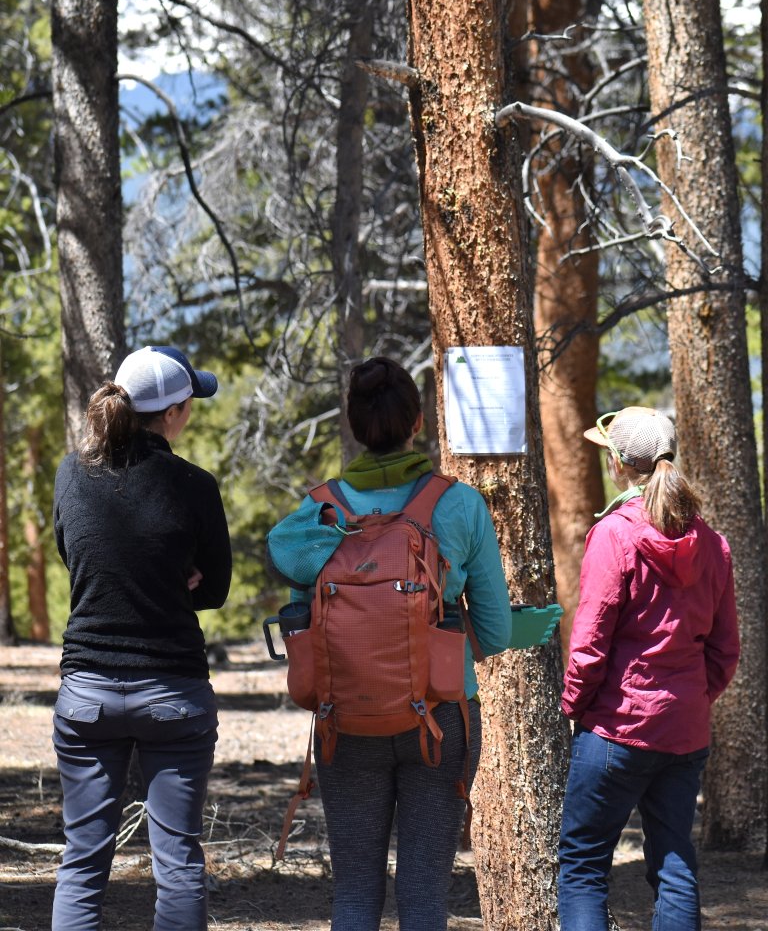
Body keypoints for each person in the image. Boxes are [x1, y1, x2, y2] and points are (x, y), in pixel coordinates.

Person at [266, 356, 512, 931]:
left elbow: (285, 560)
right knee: (424, 894)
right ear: (418, 422)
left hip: (344, 717)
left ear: (354, 426)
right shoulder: (460, 504)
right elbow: (496, 633)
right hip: (440, 719)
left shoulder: (320, 511)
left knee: (354, 891)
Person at [51, 345, 232, 931]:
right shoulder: (195, 486)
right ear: (174, 413)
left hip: (86, 694)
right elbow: (216, 588)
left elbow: (77, 561)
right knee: (177, 863)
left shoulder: (69, 475)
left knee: (80, 864)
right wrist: (177, 577)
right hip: (173, 692)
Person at [558, 406, 740, 931]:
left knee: (584, 866)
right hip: (683, 730)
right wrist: (690, 702)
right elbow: (725, 650)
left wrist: (575, 706)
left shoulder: (613, 535)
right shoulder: (713, 544)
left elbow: (590, 641)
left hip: (616, 728)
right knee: (675, 863)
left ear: (618, 462)